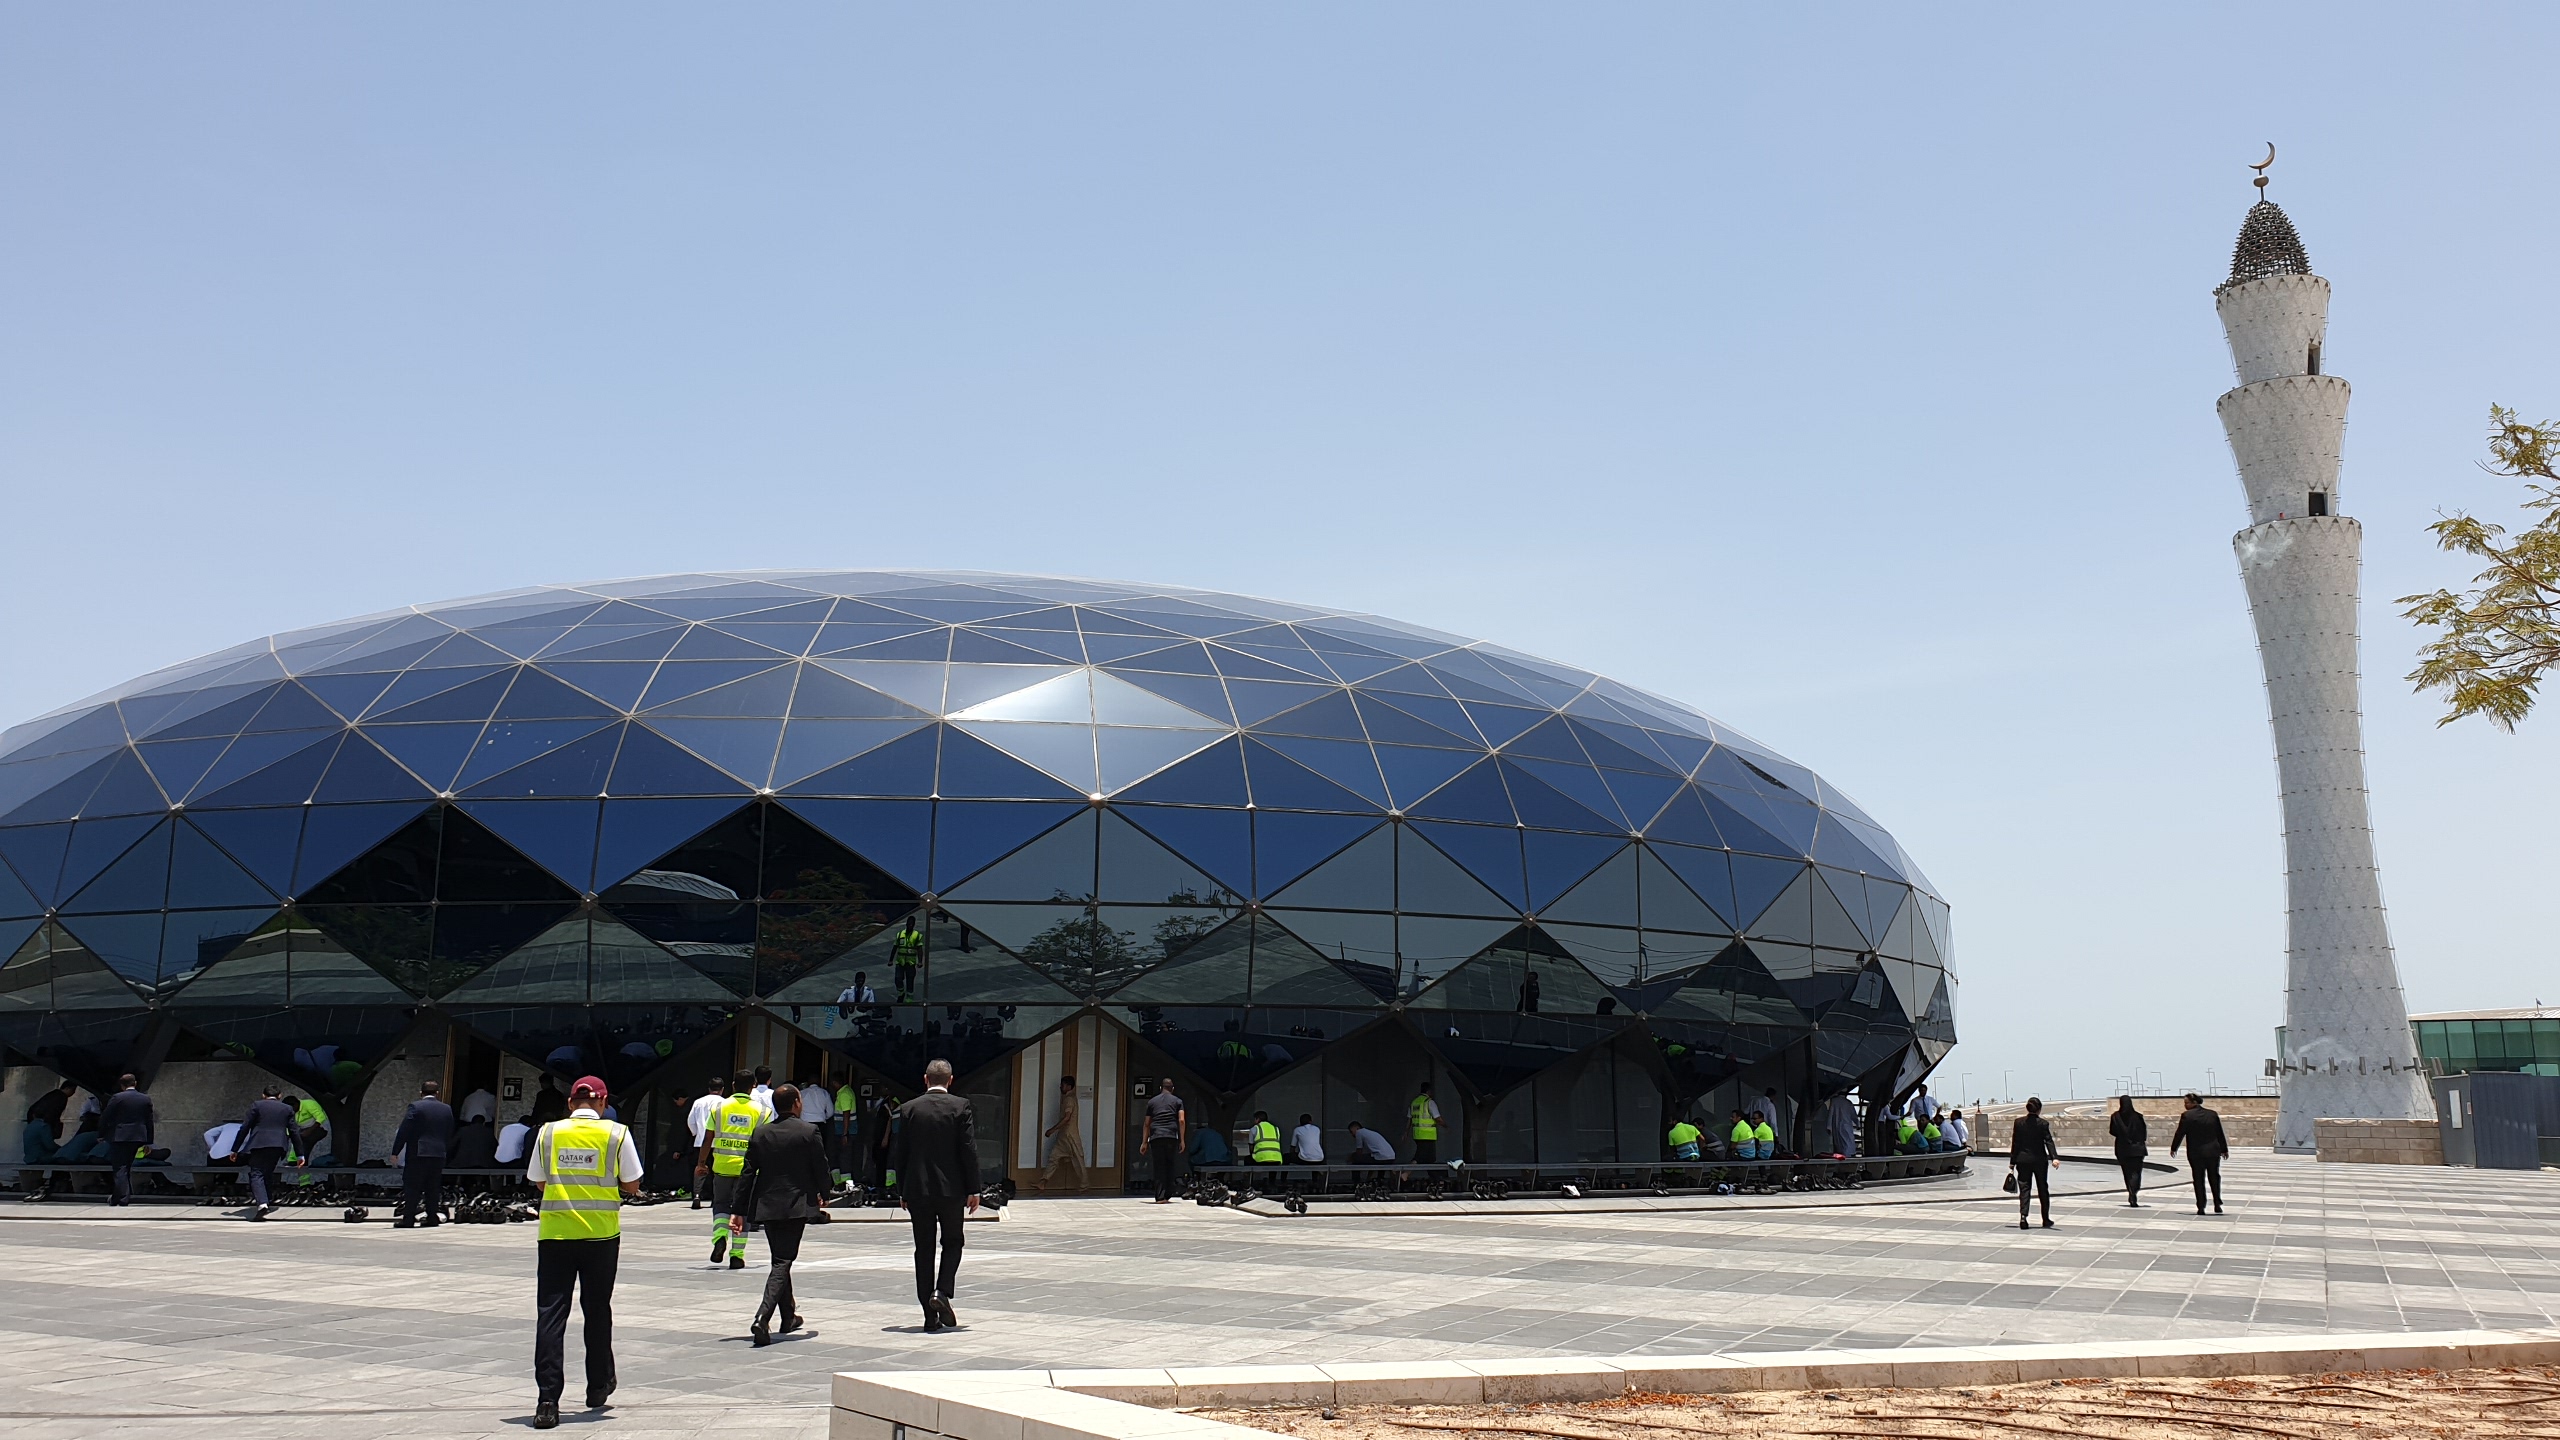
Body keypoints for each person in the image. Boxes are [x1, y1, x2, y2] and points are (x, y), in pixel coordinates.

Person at [525, 1075, 642, 1430]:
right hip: (601, 1236)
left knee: (551, 1314)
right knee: (596, 1309)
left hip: (556, 1234)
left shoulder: (548, 1133)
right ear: (604, 1103)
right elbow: (632, 1183)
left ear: (571, 1103)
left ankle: (547, 1400)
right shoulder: (616, 1134)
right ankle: (598, 1385)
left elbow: (539, 1180)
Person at [735, 1083, 833, 1346]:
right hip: (795, 1205)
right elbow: (820, 1166)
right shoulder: (808, 1131)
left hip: (767, 1206)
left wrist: (738, 1210)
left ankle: (788, 1316)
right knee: (783, 1261)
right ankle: (762, 1317)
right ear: (797, 1103)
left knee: (780, 1258)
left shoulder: (761, 1133)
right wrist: (826, 1192)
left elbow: (747, 1174)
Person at [888, 1059, 980, 1333]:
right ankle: (942, 1291)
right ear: (950, 1080)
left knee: (923, 1249)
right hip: (952, 1190)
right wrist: (974, 1188)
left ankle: (929, 1315)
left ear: (925, 1079)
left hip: (918, 1189)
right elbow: (968, 1148)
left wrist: (901, 1190)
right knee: (953, 1242)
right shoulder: (960, 1106)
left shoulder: (908, 1109)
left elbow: (900, 1153)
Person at [697, 1077, 766, 1269]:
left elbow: (707, 1138)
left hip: (722, 1167)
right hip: (748, 1170)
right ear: (752, 1087)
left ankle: (719, 1237)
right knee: (741, 1210)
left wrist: (701, 1163)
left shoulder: (719, 1108)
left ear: (733, 1085)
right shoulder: (761, 1111)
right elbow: (765, 1142)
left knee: (720, 1205)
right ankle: (737, 1255)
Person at [225, 1082, 302, 1220]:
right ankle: (267, 1199)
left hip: (259, 1143)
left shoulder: (257, 1105)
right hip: (278, 1145)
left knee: (256, 1173)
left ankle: (262, 1204)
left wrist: (235, 1149)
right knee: (267, 1172)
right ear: (279, 1096)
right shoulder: (287, 1109)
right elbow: (294, 1132)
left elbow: (245, 1127)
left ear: (263, 1095)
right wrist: (300, 1154)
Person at [391, 1079, 457, 1229]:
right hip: (438, 1153)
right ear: (437, 1093)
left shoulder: (416, 1107)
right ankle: (432, 1217)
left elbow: (404, 1130)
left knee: (412, 1186)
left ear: (421, 1093)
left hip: (419, 1153)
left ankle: (408, 1219)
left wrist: (396, 1151)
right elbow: (450, 1131)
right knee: (433, 1187)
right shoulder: (446, 1109)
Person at [99, 1073, 155, 1206]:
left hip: (120, 1136)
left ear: (122, 1086)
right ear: (135, 1083)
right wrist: (149, 1140)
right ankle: (116, 1198)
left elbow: (105, 1116)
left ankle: (123, 1198)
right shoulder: (145, 1099)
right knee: (126, 1167)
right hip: (138, 1136)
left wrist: (101, 1134)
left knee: (119, 1167)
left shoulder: (118, 1098)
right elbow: (149, 1120)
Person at [2169, 1092, 2229, 1216]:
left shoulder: (2187, 1116)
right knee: (2214, 1177)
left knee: (2198, 1179)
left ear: (2194, 1103)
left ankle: (2201, 1206)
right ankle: (2217, 1202)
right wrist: (2224, 1149)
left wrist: (2174, 1147)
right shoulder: (2212, 1114)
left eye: (2187, 1103)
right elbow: (2219, 1133)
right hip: (2213, 1151)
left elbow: (2180, 1133)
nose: (2185, 1105)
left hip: (2196, 1153)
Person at [2011, 1096, 2058, 1230]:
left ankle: (2023, 1217)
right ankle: (2045, 1218)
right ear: (2039, 1109)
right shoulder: (2043, 1124)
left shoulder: (2018, 1123)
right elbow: (2048, 1141)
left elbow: (2016, 1143)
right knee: (2043, 1188)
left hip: (2023, 1160)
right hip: (2039, 1161)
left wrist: (2012, 1162)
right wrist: (2054, 1157)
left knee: (2024, 1189)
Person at [1141, 1077, 1187, 1203]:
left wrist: (1144, 1142)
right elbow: (1181, 1120)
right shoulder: (1178, 1101)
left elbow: (1146, 1123)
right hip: (1171, 1135)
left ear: (1160, 1088)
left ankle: (1160, 1196)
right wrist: (1182, 1140)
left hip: (1156, 1136)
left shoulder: (1152, 1102)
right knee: (1170, 1165)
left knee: (1159, 1166)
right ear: (1172, 1089)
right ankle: (1168, 1193)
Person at [685, 1076, 725, 1209]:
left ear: (709, 1089)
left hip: (700, 1142)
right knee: (717, 1172)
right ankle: (715, 1197)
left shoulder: (698, 1102)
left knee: (699, 1168)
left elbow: (690, 1121)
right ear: (722, 1089)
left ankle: (697, 1195)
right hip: (717, 1142)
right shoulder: (725, 1103)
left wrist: (696, 1133)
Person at [1041, 1074, 1086, 1192]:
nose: (1060, 1087)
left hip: (1070, 1135)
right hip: (1064, 1135)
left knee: (1078, 1160)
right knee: (1054, 1157)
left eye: (1063, 1085)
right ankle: (1043, 1181)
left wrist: (1052, 1130)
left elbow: (1067, 1118)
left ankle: (1084, 1184)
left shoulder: (1069, 1099)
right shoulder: (1068, 1098)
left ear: (1068, 1086)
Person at [2108, 1096, 2149, 1207]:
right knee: (2136, 1172)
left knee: (2127, 1172)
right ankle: (2134, 1191)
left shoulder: (2115, 1117)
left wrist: (2122, 1135)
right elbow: (2143, 1132)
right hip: (2137, 1149)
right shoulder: (2138, 1116)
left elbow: (2112, 1131)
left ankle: (2131, 1191)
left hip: (2122, 1148)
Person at [27, 1078, 75, 1142]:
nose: (73, 1093)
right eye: (73, 1090)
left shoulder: (53, 1093)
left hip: (35, 1121)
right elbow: (54, 1113)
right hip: (45, 1123)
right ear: (67, 1088)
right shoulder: (62, 1097)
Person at [890, 918, 925, 1003]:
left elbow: (919, 949)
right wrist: (891, 960)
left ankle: (909, 998)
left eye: (911, 924)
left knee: (910, 981)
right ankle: (901, 992)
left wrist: (920, 961)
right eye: (908, 924)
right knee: (898, 979)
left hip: (910, 962)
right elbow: (895, 947)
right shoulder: (900, 934)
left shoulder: (917, 935)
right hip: (900, 961)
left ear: (914, 925)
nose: (910, 926)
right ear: (906, 924)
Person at [1407, 1082, 1441, 1164]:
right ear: (1429, 1091)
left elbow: (1409, 1119)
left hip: (1417, 1134)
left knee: (1430, 1157)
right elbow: (1437, 1118)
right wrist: (1446, 1126)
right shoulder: (1429, 1102)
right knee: (1420, 1156)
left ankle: (1433, 1175)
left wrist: (1406, 1132)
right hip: (1427, 1135)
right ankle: (1406, 1173)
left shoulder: (1414, 1102)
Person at [290, 1093, 329, 1162]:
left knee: (304, 1144)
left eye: (292, 1108)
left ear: (296, 1104)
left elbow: (321, 1117)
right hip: (304, 1129)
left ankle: (298, 1161)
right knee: (297, 1140)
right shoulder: (293, 1110)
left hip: (318, 1128)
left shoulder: (309, 1104)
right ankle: (294, 1161)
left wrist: (309, 1131)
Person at [1824, 1090, 1859, 1158]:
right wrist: (1857, 1123)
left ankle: (1841, 1156)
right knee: (1848, 1141)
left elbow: (1830, 1114)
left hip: (1836, 1125)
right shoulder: (1848, 1102)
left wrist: (1829, 1126)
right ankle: (1849, 1155)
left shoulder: (1834, 1101)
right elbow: (1853, 1115)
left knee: (1839, 1143)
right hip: (1847, 1125)